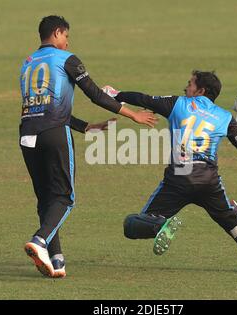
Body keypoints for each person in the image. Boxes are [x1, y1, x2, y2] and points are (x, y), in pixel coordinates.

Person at [19, 15, 157, 278]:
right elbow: (95, 94)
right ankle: (39, 241)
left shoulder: (27, 64)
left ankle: (56, 259)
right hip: (54, 134)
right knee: (64, 198)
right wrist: (133, 115)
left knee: (46, 199)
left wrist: (85, 127)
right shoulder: (67, 59)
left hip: (27, 135)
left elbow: (41, 109)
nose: (67, 41)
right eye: (66, 36)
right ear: (58, 33)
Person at [102, 71, 237, 273]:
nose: (186, 87)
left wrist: (116, 94)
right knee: (230, 216)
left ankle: (159, 226)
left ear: (200, 90)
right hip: (209, 181)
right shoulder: (224, 117)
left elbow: (144, 99)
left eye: (190, 84)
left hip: (179, 179)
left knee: (133, 225)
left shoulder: (179, 104)